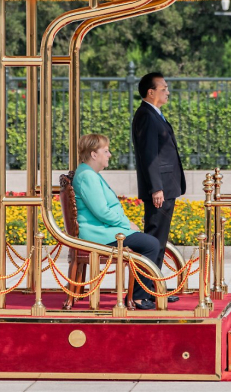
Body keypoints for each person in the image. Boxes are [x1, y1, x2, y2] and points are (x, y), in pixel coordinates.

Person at [72, 133, 161, 310]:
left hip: (103, 230)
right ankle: (137, 297)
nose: (109, 154)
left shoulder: (88, 173)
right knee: (151, 244)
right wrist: (126, 224)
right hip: (99, 233)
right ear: (93, 154)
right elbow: (102, 211)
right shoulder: (88, 176)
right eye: (105, 151)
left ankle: (140, 293)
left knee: (147, 242)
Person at [131, 72, 186, 303]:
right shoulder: (145, 115)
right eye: (163, 88)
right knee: (153, 240)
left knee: (159, 242)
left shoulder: (155, 114)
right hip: (159, 189)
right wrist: (156, 188)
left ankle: (154, 290)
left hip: (166, 187)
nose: (168, 92)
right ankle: (142, 294)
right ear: (151, 92)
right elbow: (149, 155)